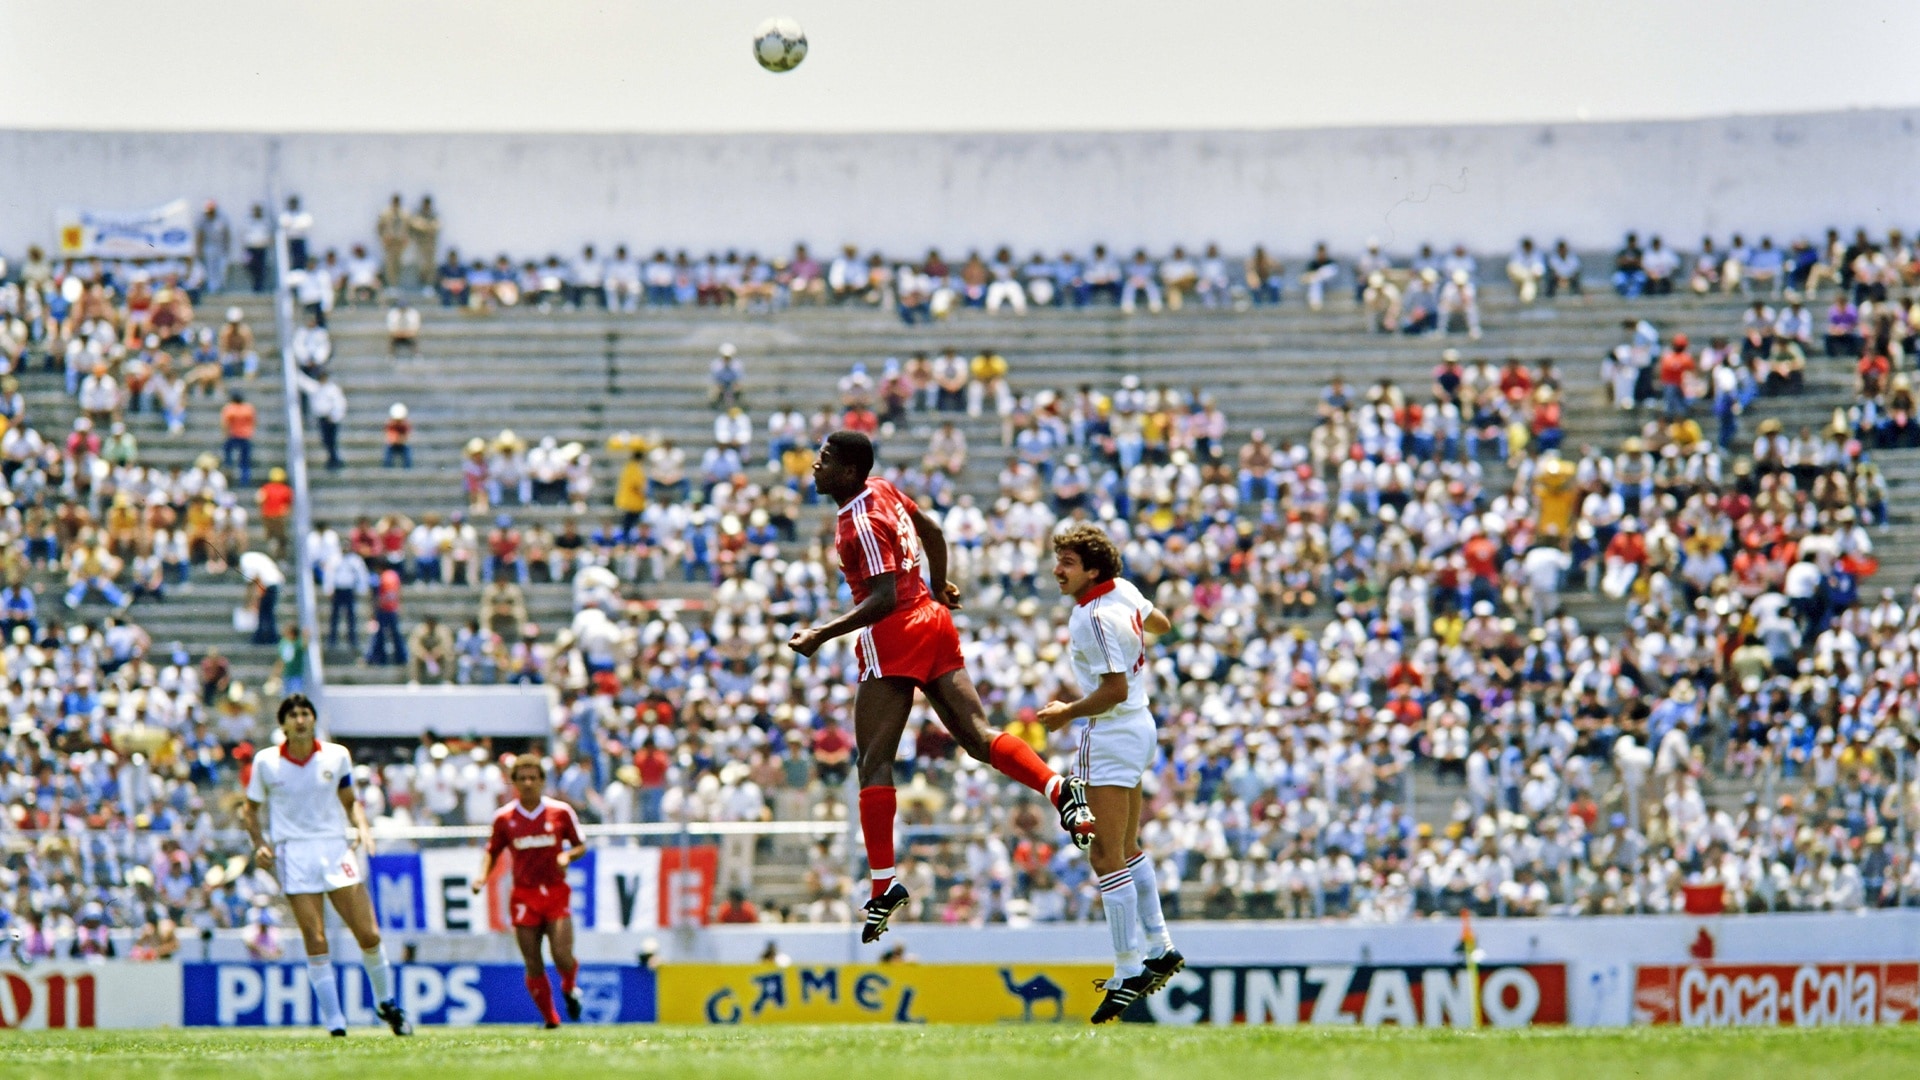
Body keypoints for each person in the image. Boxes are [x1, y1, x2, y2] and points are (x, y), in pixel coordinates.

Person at [786, 431, 1094, 943]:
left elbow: (883, 598)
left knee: (874, 761)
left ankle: (883, 885)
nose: (815, 467)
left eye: (824, 460)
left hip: (897, 630)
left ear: (848, 471)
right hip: (933, 619)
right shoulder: (881, 489)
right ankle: (1059, 788)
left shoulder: (856, 522)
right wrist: (940, 583)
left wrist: (823, 632)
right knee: (977, 736)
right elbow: (930, 528)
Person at [1037, 523, 1183, 1023]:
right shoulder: (1121, 590)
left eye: (1068, 564)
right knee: (1127, 847)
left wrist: (1066, 712)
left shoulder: (1090, 616)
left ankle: (1127, 968)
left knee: (1103, 854)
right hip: (1142, 726)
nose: (1058, 570)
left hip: (1112, 729)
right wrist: (1134, 627)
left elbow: (1114, 690)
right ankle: (1160, 946)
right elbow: (1160, 622)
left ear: (1091, 571)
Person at [241, 694, 412, 1037]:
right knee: (315, 938)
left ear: (313, 719)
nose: (300, 720)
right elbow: (250, 810)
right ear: (283, 724)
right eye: (293, 715)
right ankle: (335, 1022)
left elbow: (351, 802)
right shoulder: (266, 762)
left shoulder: (337, 756)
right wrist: (259, 843)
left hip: (335, 847)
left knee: (369, 933)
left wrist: (363, 829)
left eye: (306, 713)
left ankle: (386, 1002)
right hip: (293, 852)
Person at [474, 755, 587, 1029]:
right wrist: (481, 877)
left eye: (532, 778)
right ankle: (551, 1019)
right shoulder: (504, 818)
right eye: (521, 778)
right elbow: (492, 851)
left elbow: (580, 845)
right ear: (513, 783)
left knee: (561, 955)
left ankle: (570, 987)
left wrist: (567, 857)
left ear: (541, 781)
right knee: (533, 962)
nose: (527, 783)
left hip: (556, 892)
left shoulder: (560, 812)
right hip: (524, 895)